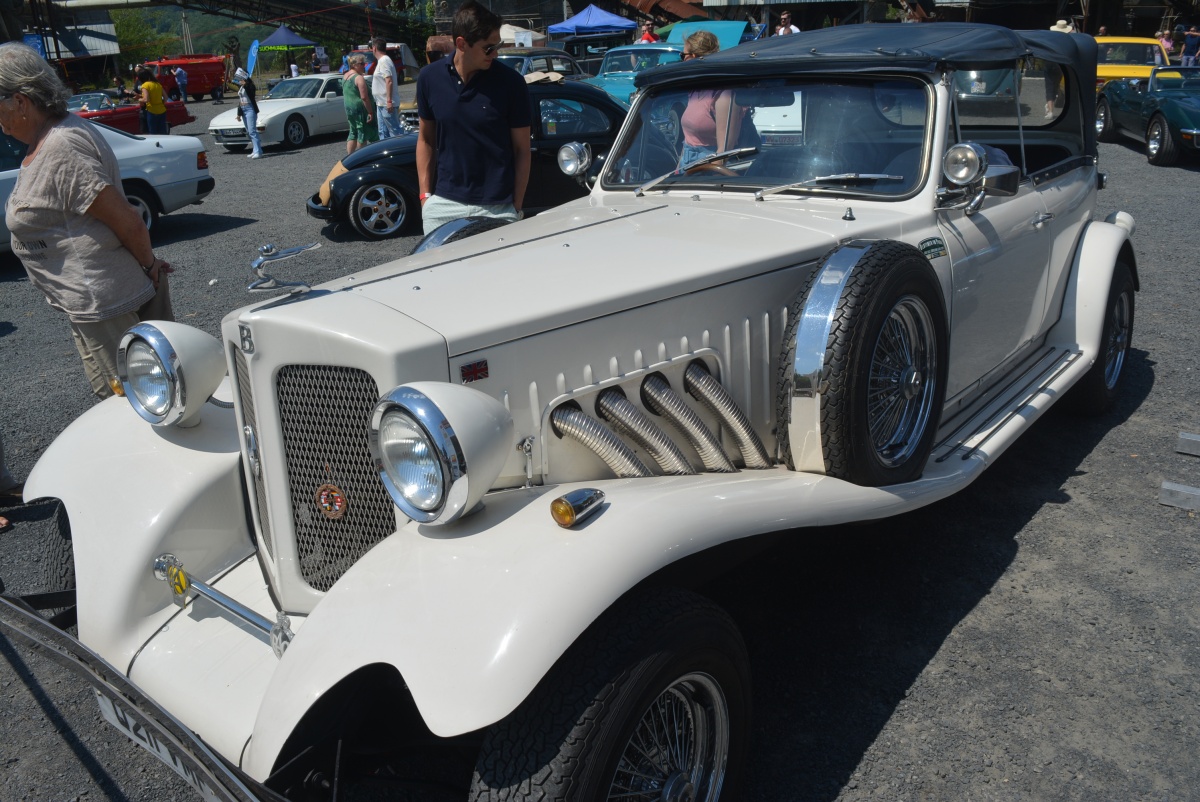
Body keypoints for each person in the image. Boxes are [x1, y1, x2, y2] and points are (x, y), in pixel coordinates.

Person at [0, 43, 175, 402]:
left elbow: (127, 220)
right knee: (126, 395)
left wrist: (150, 265)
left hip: (103, 301)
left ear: (20, 101)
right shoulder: (47, 140)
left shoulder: (61, 147)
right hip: (89, 302)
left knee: (137, 400)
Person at [416, 0, 531, 234]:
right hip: (443, 206)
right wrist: (425, 198)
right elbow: (426, 140)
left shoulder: (511, 83)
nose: (495, 53)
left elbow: (522, 149)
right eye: (488, 47)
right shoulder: (429, 78)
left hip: (497, 208)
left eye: (496, 45)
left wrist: (515, 206)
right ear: (462, 43)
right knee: (438, 271)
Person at [679, 31, 751, 167]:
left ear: (693, 56)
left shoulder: (723, 95)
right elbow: (688, 141)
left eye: (683, 55)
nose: (682, 60)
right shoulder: (695, 90)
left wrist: (700, 176)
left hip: (708, 167)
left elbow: (724, 153)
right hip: (687, 163)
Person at [342, 54, 377, 154]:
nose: (364, 66)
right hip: (360, 110)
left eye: (364, 63)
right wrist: (370, 112)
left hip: (349, 109)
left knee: (353, 132)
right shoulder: (358, 78)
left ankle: (349, 157)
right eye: (361, 64)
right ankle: (361, 157)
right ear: (354, 65)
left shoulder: (345, 76)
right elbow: (364, 97)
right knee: (362, 132)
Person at [371, 37, 403, 138]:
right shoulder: (381, 61)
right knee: (382, 132)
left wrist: (389, 101)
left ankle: (400, 150)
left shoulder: (384, 60)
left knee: (394, 131)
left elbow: (388, 80)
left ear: (374, 48)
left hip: (386, 103)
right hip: (380, 103)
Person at [233, 67, 263, 158]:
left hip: (250, 108)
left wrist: (245, 84)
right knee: (249, 132)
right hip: (243, 108)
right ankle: (255, 150)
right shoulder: (241, 86)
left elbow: (251, 94)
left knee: (252, 131)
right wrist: (238, 114)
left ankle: (258, 151)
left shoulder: (250, 85)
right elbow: (240, 100)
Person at [137, 68, 168, 134]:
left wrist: (139, 99)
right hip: (161, 110)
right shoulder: (157, 84)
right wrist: (162, 103)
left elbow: (146, 99)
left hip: (152, 111)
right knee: (163, 132)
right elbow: (166, 97)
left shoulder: (145, 85)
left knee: (153, 132)